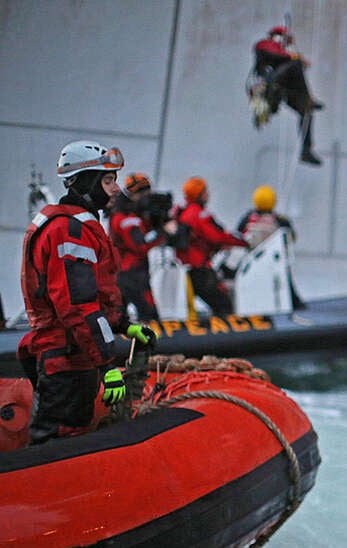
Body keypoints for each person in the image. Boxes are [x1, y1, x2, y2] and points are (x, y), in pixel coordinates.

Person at [19, 140, 156, 443]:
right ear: (86, 182)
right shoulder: (69, 230)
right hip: (67, 360)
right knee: (59, 438)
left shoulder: (77, 224)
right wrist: (108, 364)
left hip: (74, 355)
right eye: (107, 180)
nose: (115, 189)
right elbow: (78, 306)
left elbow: (93, 296)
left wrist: (124, 325)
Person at [174, 176, 248, 317]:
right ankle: (225, 335)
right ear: (199, 195)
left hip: (185, 269)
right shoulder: (199, 214)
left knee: (194, 305)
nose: (208, 195)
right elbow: (217, 237)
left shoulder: (182, 213)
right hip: (200, 269)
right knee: (224, 304)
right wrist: (244, 242)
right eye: (205, 192)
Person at [252, 25, 323, 166]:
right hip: (269, 86)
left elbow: (287, 65)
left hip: (281, 89)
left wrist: (294, 57)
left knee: (306, 112)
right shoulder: (264, 45)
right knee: (296, 64)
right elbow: (275, 53)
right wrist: (294, 57)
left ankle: (306, 151)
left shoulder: (285, 59)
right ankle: (307, 99)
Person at [234, 184, 304, 309]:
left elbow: (238, 235)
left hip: (251, 261)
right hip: (274, 261)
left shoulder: (247, 219)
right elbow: (291, 238)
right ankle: (295, 303)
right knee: (285, 277)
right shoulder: (280, 221)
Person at [109, 172, 167, 321]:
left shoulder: (130, 216)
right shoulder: (126, 219)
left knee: (120, 316)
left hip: (126, 273)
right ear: (135, 195)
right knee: (150, 315)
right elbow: (139, 245)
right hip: (131, 273)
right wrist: (163, 231)